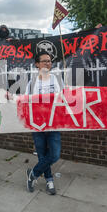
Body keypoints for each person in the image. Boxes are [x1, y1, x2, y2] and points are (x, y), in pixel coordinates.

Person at [25, 51, 63, 195]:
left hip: (53, 124)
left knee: (54, 155)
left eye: (49, 61)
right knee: (42, 155)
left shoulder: (57, 80)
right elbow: (26, 101)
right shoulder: (32, 82)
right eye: (44, 61)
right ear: (37, 64)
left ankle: (33, 174)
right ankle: (49, 180)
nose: (48, 63)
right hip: (38, 124)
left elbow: (63, 99)